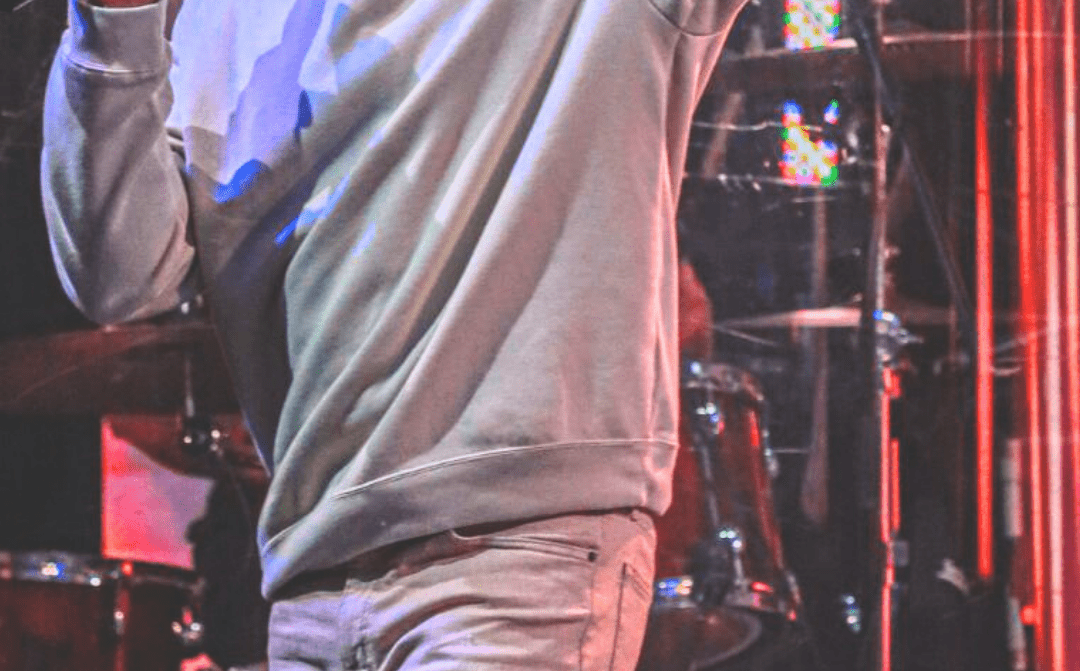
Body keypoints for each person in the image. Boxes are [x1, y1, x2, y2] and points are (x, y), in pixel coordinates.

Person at [41, 0, 747, 668]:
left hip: (514, 559)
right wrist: (115, 26)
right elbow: (120, 276)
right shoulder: (222, 18)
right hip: (312, 579)